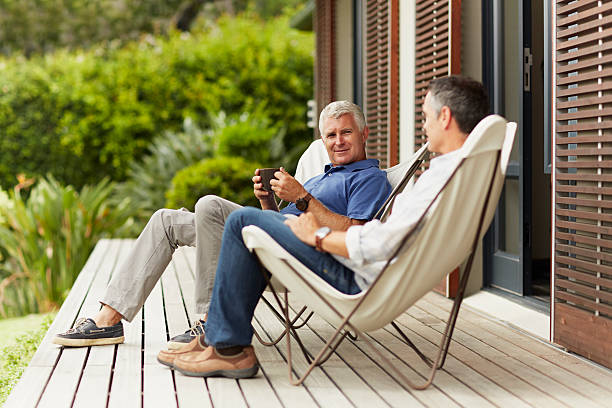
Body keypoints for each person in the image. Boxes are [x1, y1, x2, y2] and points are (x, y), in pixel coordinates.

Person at [159, 75, 489, 379]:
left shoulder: (434, 183)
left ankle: (226, 345)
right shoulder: (451, 177)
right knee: (235, 220)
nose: (424, 125)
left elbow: (378, 242)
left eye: (427, 117)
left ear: (445, 118)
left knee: (239, 221)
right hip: (344, 261)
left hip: (351, 277)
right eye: (331, 135)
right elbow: (385, 237)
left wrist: (317, 235)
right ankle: (221, 340)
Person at [53, 101, 392, 348]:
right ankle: (109, 319)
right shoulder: (323, 175)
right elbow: (285, 216)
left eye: (346, 132)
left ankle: (208, 321)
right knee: (166, 221)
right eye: (331, 135)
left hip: (307, 254)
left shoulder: (369, 178)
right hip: (274, 239)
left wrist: (302, 197)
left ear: (363, 133)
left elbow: (355, 232)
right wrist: (266, 201)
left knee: (210, 206)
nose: (338, 141)